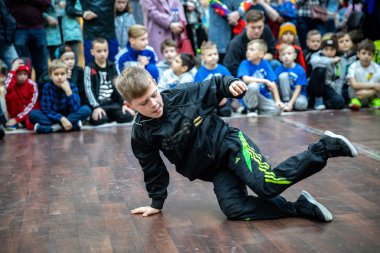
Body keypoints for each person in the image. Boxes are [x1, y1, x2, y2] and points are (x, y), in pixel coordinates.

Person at [114, 66, 358, 222]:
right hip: (213, 169)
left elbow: (216, 84)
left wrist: (231, 85)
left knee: (266, 185)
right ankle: (299, 208)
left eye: (154, 94)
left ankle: (326, 147)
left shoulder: (182, 95)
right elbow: (152, 168)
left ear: (156, 84)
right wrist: (156, 203)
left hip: (229, 145)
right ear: (130, 106)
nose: (154, 103)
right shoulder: (141, 134)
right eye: (144, 102)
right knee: (234, 209)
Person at [29, 60, 91, 134]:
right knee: (33, 114)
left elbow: (76, 108)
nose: (59, 77)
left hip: (69, 115)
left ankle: (54, 128)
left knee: (86, 110)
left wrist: (68, 92)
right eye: (56, 74)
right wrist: (61, 119)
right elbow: (46, 109)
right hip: (53, 117)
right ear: (50, 75)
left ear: (67, 74)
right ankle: (72, 126)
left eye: (62, 74)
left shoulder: (72, 87)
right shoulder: (47, 87)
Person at [84, 38, 134, 126]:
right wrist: (96, 107)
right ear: (92, 52)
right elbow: (88, 89)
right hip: (99, 104)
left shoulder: (112, 66)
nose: (102, 54)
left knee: (127, 116)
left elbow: (118, 86)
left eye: (105, 50)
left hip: (112, 104)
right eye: (99, 51)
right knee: (100, 119)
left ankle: (109, 116)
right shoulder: (89, 68)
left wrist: (123, 104)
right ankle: (99, 116)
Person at [8, 0, 50, 85]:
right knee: (23, 67)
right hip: (19, 29)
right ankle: (26, 94)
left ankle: (41, 95)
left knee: (42, 68)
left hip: (38, 29)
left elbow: (47, 3)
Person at [223, 9, 276, 77]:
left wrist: (259, 58)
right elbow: (230, 68)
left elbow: (272, 51)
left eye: (260, 27)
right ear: (246, 25)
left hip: (263, 68)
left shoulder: (266, 30)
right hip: (244, 76)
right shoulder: (236, 44)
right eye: (253, 28)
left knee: (275, 63)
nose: (257, 31)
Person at [238, 39, 283, 115]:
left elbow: (272, 83)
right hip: (248, 97)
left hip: (262, 97)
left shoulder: (265, 64)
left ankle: (258, 110)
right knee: (253, 85)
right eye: (247, 49)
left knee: (277, 110)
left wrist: (278, 101)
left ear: (261, 54)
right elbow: (245, 79)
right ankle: (251, 109)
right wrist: (264, 81)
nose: (248, 52)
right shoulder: (244, 63)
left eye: (251, 49)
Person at [194, 41, 233, 117]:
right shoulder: (200, 72)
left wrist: (225, 97)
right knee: (210, 113)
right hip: (207, 101)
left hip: (223, 100)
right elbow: (197, 90)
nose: (213, 56)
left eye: (215, 54)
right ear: (202, 57)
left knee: (226, 112)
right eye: (210, 55)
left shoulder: (223, 70)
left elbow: (230, 85)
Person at [309, 36, 345, 110]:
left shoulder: (340, 59)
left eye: (332, 49)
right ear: (322, 49)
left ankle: (325, 102)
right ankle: (318, 99)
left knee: (340, 102)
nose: (329, 52)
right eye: (326, 49)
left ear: (336, 50)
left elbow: (340, 78)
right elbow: (314, 62)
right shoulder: (316, 55)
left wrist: (338, 93)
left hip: (330, 86)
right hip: (315, 86)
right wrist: (331, 60)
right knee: (320, 69)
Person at [5, 58, 40, 130]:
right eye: (19, 74)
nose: (22, 76)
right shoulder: (13, 82)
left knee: (29, 124)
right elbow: (8, 88)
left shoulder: (32, 85)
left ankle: (17, 121)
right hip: (17, 113)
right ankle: (13, 120)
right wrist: (12, 71)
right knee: (10, 95)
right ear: (15, 74)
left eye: (25, 74)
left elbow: (32, 106)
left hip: (28, 113)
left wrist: (17, 119)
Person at [347, 39, 380, 110]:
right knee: (356, 73)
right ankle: (355, 101)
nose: (366, 56)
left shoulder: (376, 67)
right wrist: (374, 85)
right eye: (363, 53)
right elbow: (354, 85)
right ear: (358, 54)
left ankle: (374, 101)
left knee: (378, 76)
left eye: (369, 54)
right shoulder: (353, 66)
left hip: (372, 95)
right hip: (358, 94)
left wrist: (368, 93)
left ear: (373, 56)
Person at [275, 44, 308, 112]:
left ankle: (290, 105)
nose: (286, 56)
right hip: (284, 94)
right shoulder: (278, 69)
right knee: (283, 76)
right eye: (283, 54)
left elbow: (298, 88)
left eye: (289, 54)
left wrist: (291, 103)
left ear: (294, 56)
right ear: (280, 58)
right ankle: (285, 102)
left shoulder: (300, 69)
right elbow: (275, 85)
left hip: (297, 94)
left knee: (301, 104)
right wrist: (277, 100)